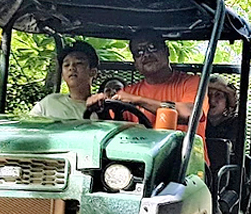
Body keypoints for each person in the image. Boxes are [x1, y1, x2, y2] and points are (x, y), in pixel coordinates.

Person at [86, 32, 233, 136]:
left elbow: (191, 113)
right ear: (135, 63)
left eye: (152, 47)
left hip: (185, 168)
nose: (146, 55)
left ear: (166, 51)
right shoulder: (128, 92)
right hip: (138, 164)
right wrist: (100, 107)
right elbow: (114, 126)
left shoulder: (192, 82)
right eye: (139, 52)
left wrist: (138, 101)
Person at [29, 40, 100, 119]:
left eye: (79, 63)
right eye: (66, 65)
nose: (71, 68)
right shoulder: (49, 103)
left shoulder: (101, 107)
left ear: (93, 72)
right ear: (62, 74)